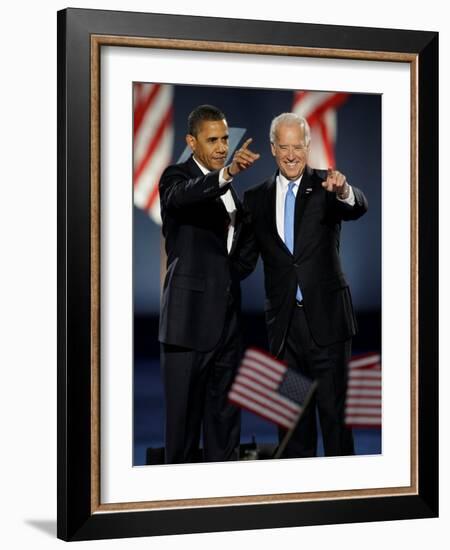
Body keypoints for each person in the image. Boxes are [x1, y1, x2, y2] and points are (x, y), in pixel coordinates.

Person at [242, 112, 368, 458]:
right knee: (293, 424)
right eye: (284, 146)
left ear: (308, 146)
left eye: (298, 146)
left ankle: (344, 500)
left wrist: (344, 190)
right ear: (272, 148)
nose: (292, 154)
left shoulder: (328, 185)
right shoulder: (255, 198)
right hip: (285, 332)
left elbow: (358, 205)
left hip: (327, 325)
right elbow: (241, 261)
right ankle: (299, 503)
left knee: (335, 421)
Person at [158, 104, 259, 464]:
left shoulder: (230, 190)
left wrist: (231, 279)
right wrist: (227, 173)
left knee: (225, 427)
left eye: (225, 139)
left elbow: (239, 251)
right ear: (192, 141)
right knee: (183, 433)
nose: (221, 147)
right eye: (212, 139)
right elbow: (182, 197)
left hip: (228, 326)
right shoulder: (175, 177)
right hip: (187, 326)